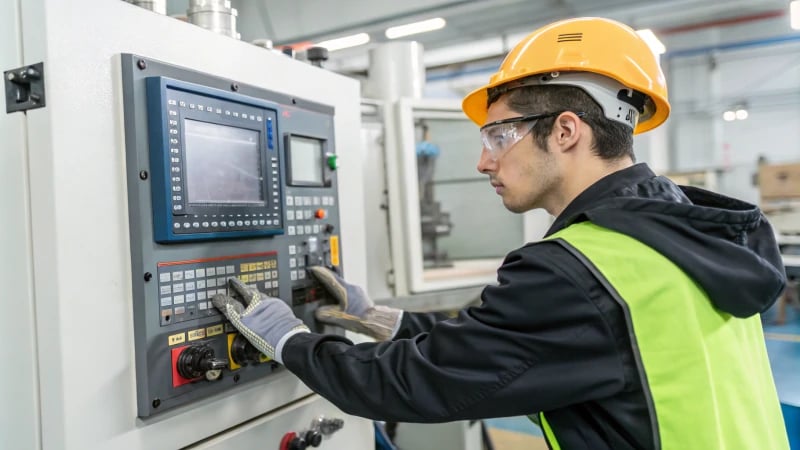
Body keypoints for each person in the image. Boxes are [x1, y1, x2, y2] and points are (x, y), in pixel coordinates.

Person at [212, 17, 790, 450]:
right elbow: (526, 338)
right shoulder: (690, 231)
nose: (485, 162)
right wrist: (383, 320)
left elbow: (410, 383)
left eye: (498, 137)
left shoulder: (578, 268)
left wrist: (289, 339)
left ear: (565, 131)